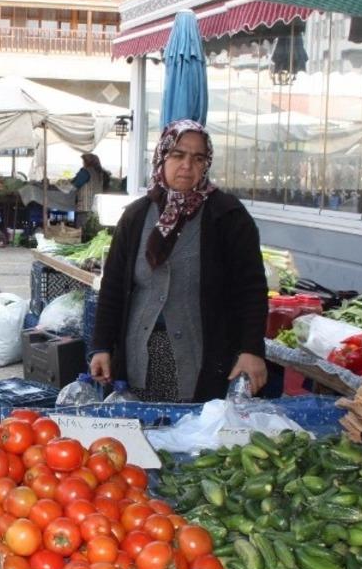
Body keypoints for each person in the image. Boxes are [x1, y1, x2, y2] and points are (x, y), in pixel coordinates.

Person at [89, 119, 268, 402]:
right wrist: (100, 346)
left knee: (191, 436)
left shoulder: (228, 216)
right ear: (162, 157)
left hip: (203, 357)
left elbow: (252, 290)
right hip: (139, 354)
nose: (187, 165)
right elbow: (113, 286)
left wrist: (251, 349)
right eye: (178, 154)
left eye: (198, 158)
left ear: (206, 164)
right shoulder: (137, 216)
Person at [72, 152, 111, 229]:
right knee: (92, 231)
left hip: (85, 208)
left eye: (83, 161)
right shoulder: (101, 173)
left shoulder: (85, 172)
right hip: (97, 208)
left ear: (87, 162)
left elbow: (74, 185)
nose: (83, 163)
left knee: (81, 232)